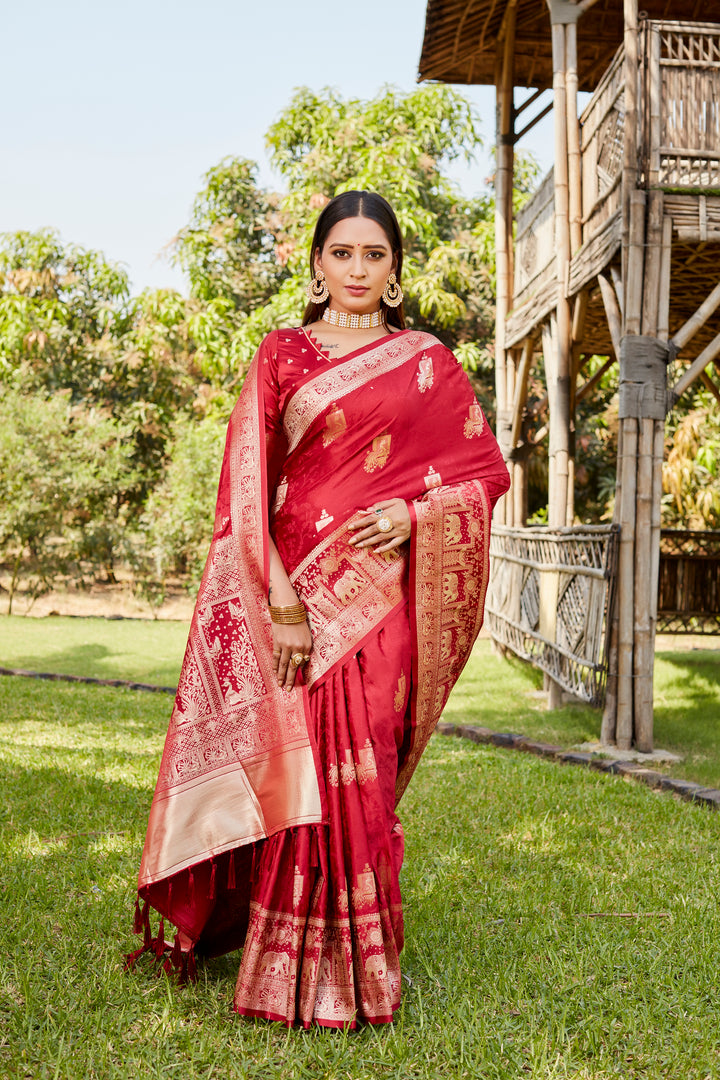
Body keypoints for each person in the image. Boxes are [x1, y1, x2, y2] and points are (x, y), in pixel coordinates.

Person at [127, 190, 510, 1028]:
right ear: (316, 263)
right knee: (299, 774)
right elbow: (245, 488)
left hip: (380, 605)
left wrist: (414, 516)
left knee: (361, 775)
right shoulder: (282, 355)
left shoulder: (427, 364)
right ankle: (279, 971)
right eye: (343, 253)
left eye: (375, 255)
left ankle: (361, 975)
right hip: (295, 596)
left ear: (397, 270)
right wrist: (283, 602)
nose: (359, 270)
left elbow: (485, 475)